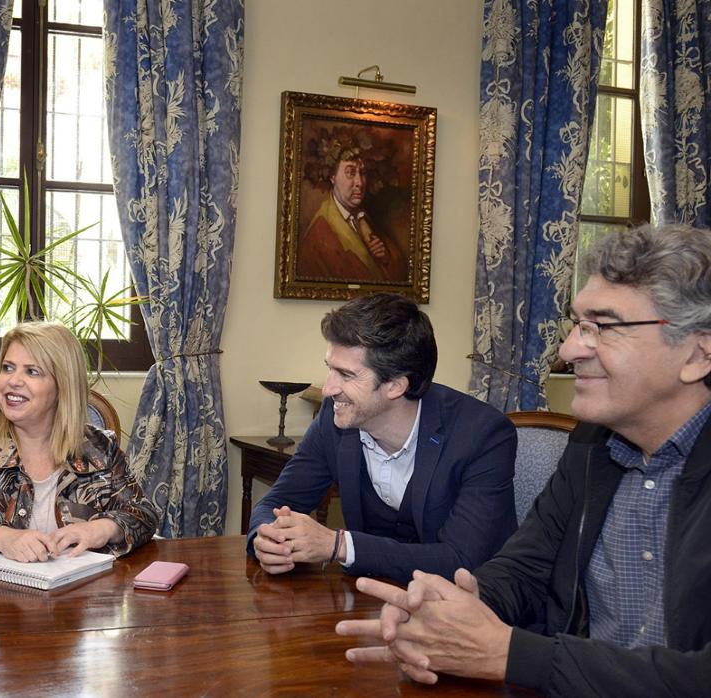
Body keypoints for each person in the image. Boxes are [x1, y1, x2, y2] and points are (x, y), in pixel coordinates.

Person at [337, 225, 711, 696]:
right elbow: (527, 566)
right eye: (577, 325)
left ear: (697, 353)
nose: (569, 349)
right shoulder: (593, 445)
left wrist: (508, 654)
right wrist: (454, 605)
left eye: (603, 328)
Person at [247, 293, 518, 582]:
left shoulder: (483, 435)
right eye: (330, 369)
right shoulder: (334, 419)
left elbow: (460, 561)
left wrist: (339, 545)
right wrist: (267, 539)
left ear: (396, 386)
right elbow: (275, 503)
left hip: (468, 611)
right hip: (368, 603)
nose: (327, 389)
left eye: (346, 375)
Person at [0, 321, 157, 561]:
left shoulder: (99, 449)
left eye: (32, 371)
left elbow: (144, 513)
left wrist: (102, 528)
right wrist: (2, 537)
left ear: (63, 386)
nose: (13, 380)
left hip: (77, 592)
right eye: (8, 367)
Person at [296, 144, 407, 283]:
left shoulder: (365, 219)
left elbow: (401, 275)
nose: (359, 183)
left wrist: (384, 258)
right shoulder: (319, 234)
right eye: (350, 173)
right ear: (333, 177)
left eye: (363, 173)